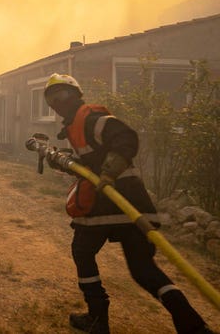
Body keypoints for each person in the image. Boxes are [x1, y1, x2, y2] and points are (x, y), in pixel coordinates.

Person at [43, 73, 214, 334]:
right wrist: (63, 161)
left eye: (62, 94)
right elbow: (91, 164)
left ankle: (97, 319)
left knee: (83, 251)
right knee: (143, 270)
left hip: (109, 204)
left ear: (76, 95)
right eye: (51, 98)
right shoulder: (75, 125)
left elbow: (126, 138)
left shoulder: (90, 117)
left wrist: (110, 172)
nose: (57, 101)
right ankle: (193, 326)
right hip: (132, 205)